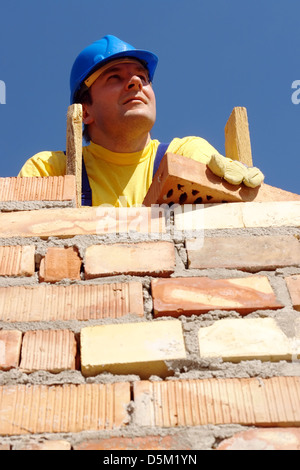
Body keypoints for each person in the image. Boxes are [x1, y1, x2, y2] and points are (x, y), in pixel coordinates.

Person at [19, 35, 264, 207]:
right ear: (84, 112)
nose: (136, 82)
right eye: (114, 77)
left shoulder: (185, 153)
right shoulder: (51, 170)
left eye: (143, 77)